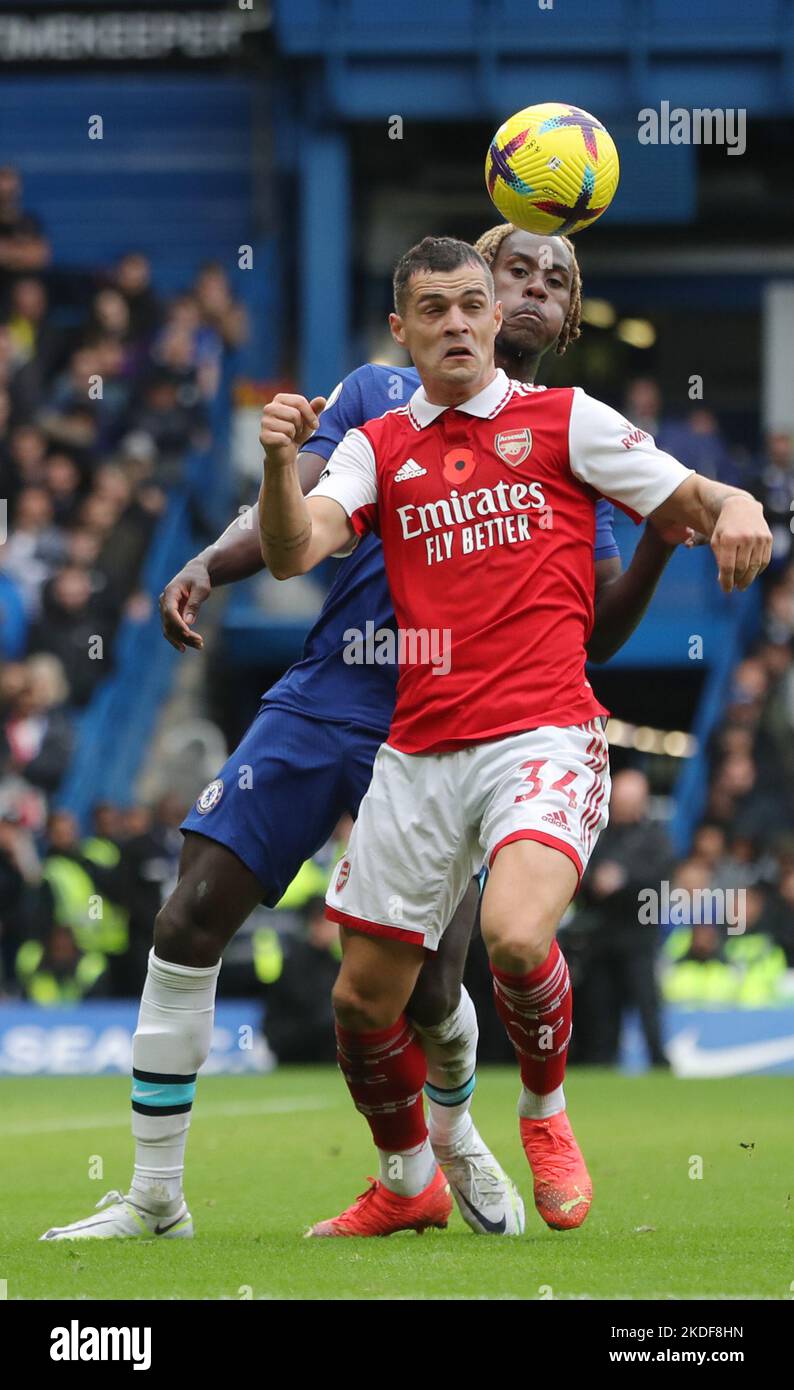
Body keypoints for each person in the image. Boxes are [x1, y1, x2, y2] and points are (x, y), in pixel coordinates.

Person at [39, 227, 698, 1244]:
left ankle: (451, 1143)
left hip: (461, 722)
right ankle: (154, 1195)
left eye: (550, 284)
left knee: (429, 988)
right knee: (188, 914)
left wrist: (666, 526)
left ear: (563, 321)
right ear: (457, 292)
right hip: (330, 695)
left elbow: (597, 628)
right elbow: (295, 519)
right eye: (509, 271)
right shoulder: (372, 399)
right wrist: (210, 565)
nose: (526, 291)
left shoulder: (573, 436)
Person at [257, 235, 770, 1237]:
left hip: (540, 731)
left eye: (468, 305)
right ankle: (407, 1182)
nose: (453, 322)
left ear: (496, 319)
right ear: (398, 331)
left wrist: (738, 499)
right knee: (361, 1005)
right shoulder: (373, 444)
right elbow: (293, 549)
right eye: (430, 309)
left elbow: (689, 498)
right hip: (416, 751)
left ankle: (542, 1111)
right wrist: (280, 463)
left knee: (515, 932)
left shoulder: (563, 419)